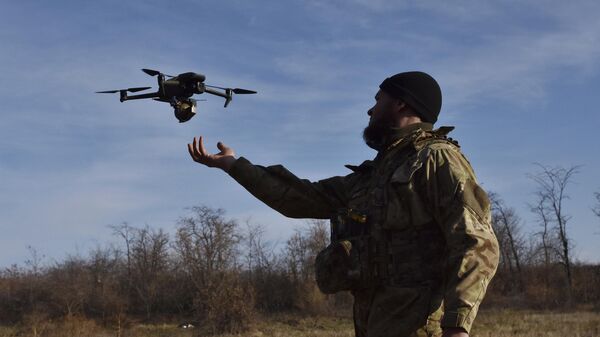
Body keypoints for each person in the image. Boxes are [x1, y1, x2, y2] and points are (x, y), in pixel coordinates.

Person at [187, 71, 499, 337]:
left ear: (401, 103)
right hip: (374, 324)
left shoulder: (436, 158)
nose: (370, 110)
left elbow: (477, 242)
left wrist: (457, 326)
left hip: (419, 327)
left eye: (378, 100)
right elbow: (298, 198)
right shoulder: (373, 175)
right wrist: (233, 165)